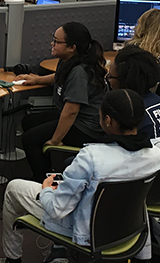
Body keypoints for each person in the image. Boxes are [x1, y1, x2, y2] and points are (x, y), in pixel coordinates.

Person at [0, 89, 160, 263]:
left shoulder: (92, 157)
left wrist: (45, 189)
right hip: (126, 227)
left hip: (86, 231)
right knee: (70, 189)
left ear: (108, 121)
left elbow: (57, 209)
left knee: (14, 188)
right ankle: (57, 250)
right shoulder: (155, 155)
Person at [16, 22, 108, 182]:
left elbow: (71, 110)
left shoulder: (79, 72)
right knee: (29, 121)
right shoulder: (68, 60)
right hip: (76, 118)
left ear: (72, 47)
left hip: (86, 127)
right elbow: (59, 77)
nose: (52, 43)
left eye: (57, 41)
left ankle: (42, 181)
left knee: (30, 139)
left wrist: (55, 140)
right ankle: (47, 167)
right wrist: (36, 79)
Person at [107, 45, 160, 143]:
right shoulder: (157, 101)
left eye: (110, 77)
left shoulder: (130, 108)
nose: (108, 81)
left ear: (124, 80)